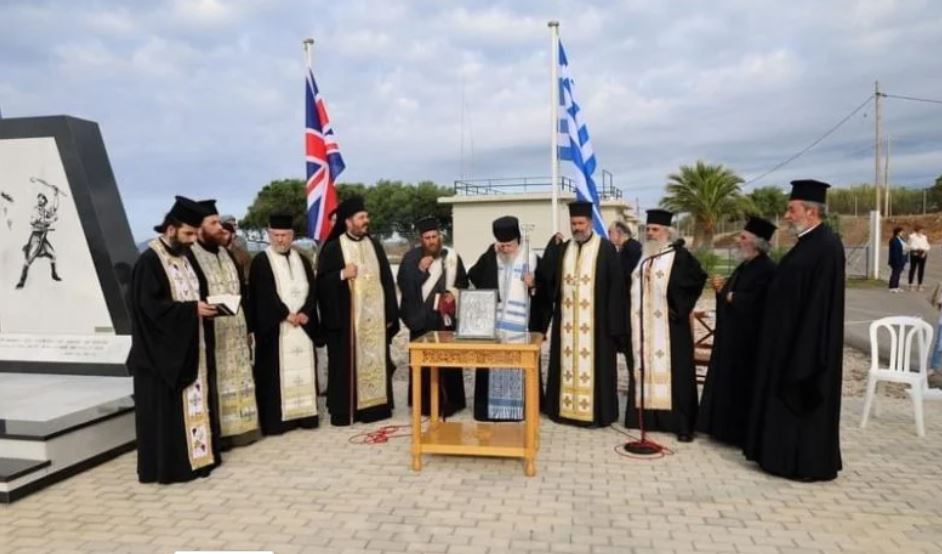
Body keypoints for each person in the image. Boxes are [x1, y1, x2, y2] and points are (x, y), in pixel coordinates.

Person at [745, 179, 845, 482]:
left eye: (791, 210)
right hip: (785, 340)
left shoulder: (827, 246)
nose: (787, 216)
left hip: (806, 345)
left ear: (811, 212)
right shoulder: (807, 243)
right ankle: (779, 457)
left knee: (801, 403)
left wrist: (804, 349)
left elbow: (820, 306)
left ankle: (803, 464)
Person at [127, 196, 222, 484]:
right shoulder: (149, 261)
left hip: (190, 347)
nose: (193, 240)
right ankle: (174, 467)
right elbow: (149, 309)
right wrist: (191, 310)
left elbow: (195, 295)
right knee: (167, 414)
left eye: (195, 234)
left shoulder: (184, 257)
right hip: (161, 357)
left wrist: (206, 307)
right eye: (188, 234)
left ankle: (199, 458)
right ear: (171, 229)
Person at [540, 202, 627, 427]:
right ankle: (564, 412)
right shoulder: (563, 249)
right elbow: (548, 281)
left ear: (590, 222)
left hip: (597, 328)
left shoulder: (606, 249)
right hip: (566, 325)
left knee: (598, 369)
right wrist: (551, 249)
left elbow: (617, 289)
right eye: (573, 223)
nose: (577, 227)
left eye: (580, 223)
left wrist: (614, 327)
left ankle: (597, 414)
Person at [316, 196, 399, 426]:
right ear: (348, 221)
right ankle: (346, 411)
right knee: (345, 367)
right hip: (347, 325)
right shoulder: (333, 248)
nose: (366, 221)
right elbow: (321, 285)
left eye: (366, 217)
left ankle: (376, 409)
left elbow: (387, 282)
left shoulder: (375, 246)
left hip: (375, 322)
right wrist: (342, 275)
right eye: (361, 217)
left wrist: (390, 314)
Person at [625, 209, 706, 442]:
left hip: (670, 328)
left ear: (667, 232)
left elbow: (697, 279)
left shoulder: (678, 255)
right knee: (645, 369)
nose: (650, 233)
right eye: (648, 229)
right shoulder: (644, 256)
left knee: (677, 375)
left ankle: (681, 424)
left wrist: (678, 307)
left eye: (655, 229)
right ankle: (648, 420)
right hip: (644, 326)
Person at [697, 216, 777, 446]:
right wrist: (722, 288)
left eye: (742, 237)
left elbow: (762, 301)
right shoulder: (746, 265)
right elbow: (732, 292)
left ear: (755, 243)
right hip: (732, 336)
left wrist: (732, 295)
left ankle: (737, 434)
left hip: (750, 340)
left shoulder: (768, 269)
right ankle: (720, 429)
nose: (738, 241)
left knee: (742, 386)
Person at [187, 200, 260, 449]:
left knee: (241, 377)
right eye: (213, 223)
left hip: (236, 330)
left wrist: (248, 327)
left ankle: (244, 430)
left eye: (219, 222)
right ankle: (221, 435)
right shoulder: (190, 256)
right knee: (216, 381)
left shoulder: (227, 254)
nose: (220, 228)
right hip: (212, 332)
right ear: (199, 228)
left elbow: (243, 293)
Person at [248, 214, 322, 434]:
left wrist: (306, 312)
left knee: (305, 369)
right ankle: (278, 422)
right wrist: (285, 314)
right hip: (276, 330)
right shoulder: (261, 261)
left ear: (292, 236)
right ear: (269, 234)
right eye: (276, 235)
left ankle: (305, 417)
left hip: (302, 326)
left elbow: (313, 289)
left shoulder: (303, 260)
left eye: (285, 235)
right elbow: (263, 294)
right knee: (274, 375)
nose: (280, 240)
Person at [467, 216, 544, 421]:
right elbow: (473, 276)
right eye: (502, 246)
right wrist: (489, 253)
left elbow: (546, 290)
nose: (506, 250)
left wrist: (533, 283)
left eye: (509, 245)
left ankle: (519, 411)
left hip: (520, 328)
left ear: (517, 240)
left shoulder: (531, 259)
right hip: (494, 327)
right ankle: (490, 411)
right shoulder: (492, 257)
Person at [397, 217, 469, 418]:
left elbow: (463, 282)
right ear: (421, 239)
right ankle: (425, 405)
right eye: (427, 238)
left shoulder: (452, 257)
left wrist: (452, 293)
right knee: (425, 365)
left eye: (434, 237)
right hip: (423, 321)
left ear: (440, 236)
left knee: (449, 362)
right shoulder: (411, 258)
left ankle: (453, 402)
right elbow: (405, 286)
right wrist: (420, 270)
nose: (431, 241)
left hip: (445, 320)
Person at [15, 191, 61, 289]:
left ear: (45, 201)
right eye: (39, 198)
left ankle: (54, 275)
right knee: (29, 259)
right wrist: (52, 220)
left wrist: (56, 194)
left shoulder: (45, 211)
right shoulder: (35, 210)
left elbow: (55, 207)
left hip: (43, 238)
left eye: (42, 198)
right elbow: (41, 220)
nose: (39, 200)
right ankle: (21, 282)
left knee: (53, 255)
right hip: (35, 237)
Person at [907, 224, 930, 292]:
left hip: (923, 253)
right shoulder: (912, 236)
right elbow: (909, 245)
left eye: (922, 230)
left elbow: (927, 245)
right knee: (912, 269)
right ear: (917, 230)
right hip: (914, 253)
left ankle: (920, 285)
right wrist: (913, 251)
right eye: (920, 230)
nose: (922, 231)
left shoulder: (924, 237)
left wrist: (925, 252)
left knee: (921, 269)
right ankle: (910, 285)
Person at [888, 226, 907, 292]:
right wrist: (897, 260)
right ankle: (892, 287)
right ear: (898, 232)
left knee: (898, 273)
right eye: (901, 232)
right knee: (895, 273)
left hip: (902, 258)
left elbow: (904, 246)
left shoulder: (901, 239)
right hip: (896, 259)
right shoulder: (893, 240)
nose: (902, 233)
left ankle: (896, 286)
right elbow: (894, 251)